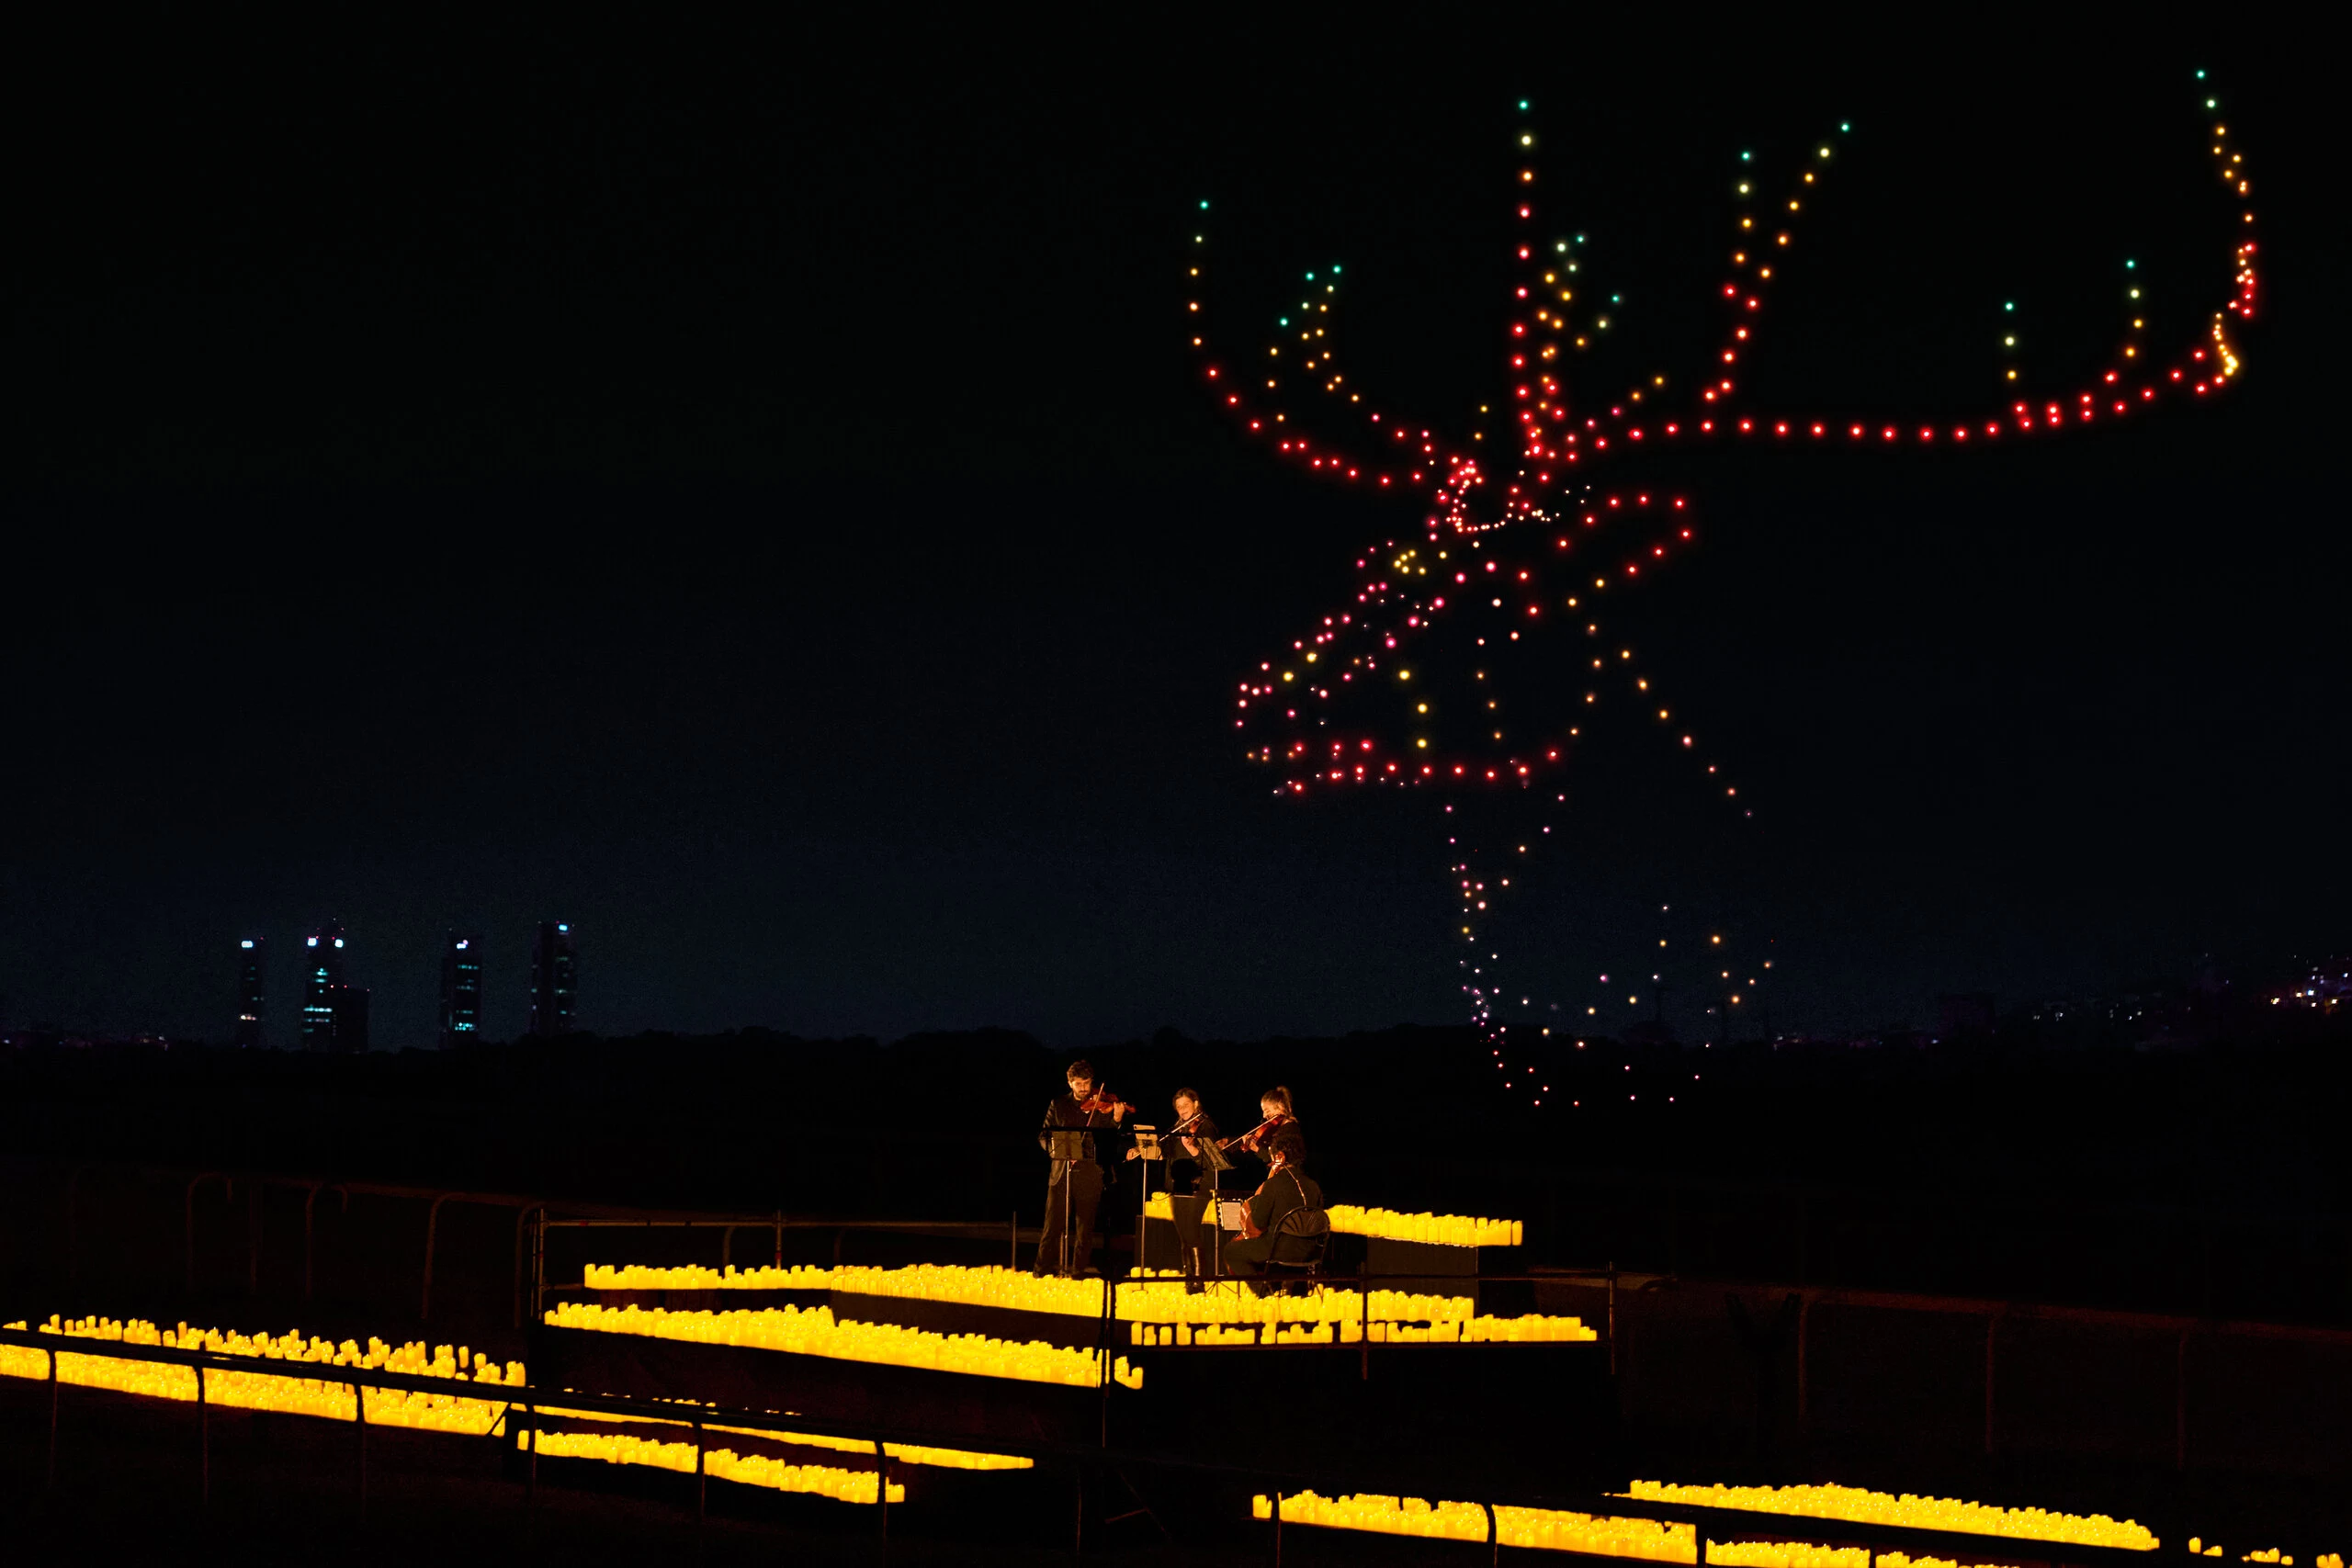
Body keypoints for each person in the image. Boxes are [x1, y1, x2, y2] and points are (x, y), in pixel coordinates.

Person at [1035, 1058, 1126, 1276]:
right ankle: (1041, 1272)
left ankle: (1078, 1273)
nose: (1084, 1088)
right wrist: (1059, 1152)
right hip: (1061, 1172)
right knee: (1052, 1226)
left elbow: (1109, 1139)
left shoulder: (1101, 1105)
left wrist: (1116, 1119)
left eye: (1087, 1083)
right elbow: (1044, 1136)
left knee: (1085, 1229)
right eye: (1079, 1084)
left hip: (1090, 1172)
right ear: (1070, 1083)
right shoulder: (1058, 1104)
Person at [1128, 1087, 1220, 1280]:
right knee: (1184, 1235)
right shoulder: (1177, 1128)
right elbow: (1162, 1152)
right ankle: (1189, 1278)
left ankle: (1198, 1279)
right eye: (1179, 1107)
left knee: (1191, 1232)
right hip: (1178, 1186)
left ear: (1196, 1104)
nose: (1183, 1109)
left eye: (1186, 1105)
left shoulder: (1205, 1126)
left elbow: (1210, 1159)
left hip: (1198, 1185)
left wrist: (1192, 1148)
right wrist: (1140, 1149)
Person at [1219, 1129, 1324, 1280]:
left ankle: (1264, 1289)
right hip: (1310, 1251)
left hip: (1279, 1249)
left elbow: (1259, 1222)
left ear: (1280, 1156)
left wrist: (1257, 1199)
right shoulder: (1313, 1186)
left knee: (1231, 1251)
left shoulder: (1273, 1184)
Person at [1233, 1086, 1299, 1167]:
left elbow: (1280, 1161)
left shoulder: (1290, 1130)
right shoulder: (1275, 1129)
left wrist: (1257, 1149)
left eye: (1267, 1111)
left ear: (1280, 1107)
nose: (1264, 1116)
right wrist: (1227, 1141)